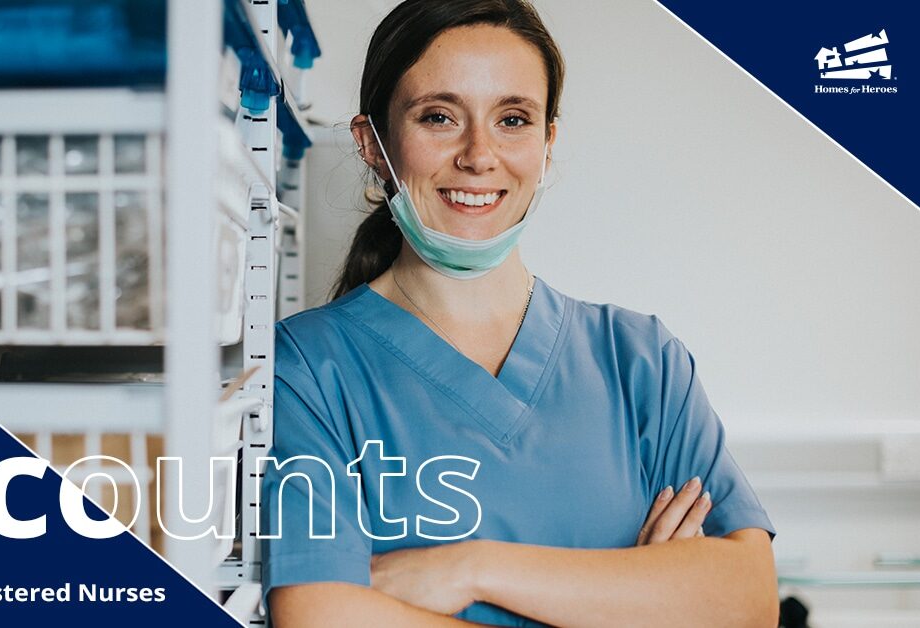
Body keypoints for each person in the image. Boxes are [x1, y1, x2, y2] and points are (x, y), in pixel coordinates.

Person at [260, 1, 778, 626]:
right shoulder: (307, 370)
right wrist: (636, 600)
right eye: (439, 116)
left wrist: (470, 567)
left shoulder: (639, 361)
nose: (479, 155)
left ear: (547, 143)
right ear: (373, 143)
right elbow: (318, 616)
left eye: (512, 119)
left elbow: (749, 598)